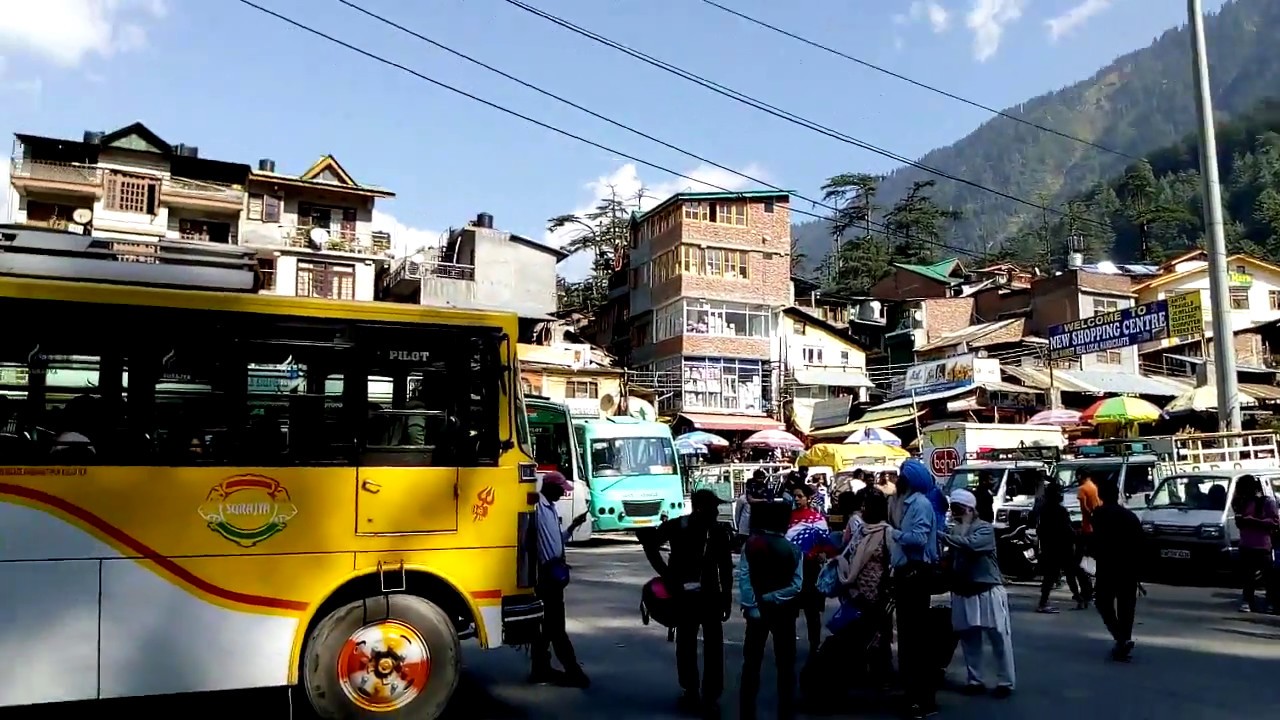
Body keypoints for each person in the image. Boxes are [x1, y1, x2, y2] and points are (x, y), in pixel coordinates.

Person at [639, 488, 735, 715]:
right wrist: (726, 597)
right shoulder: (713, 530)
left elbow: (650, 546)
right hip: (703, 596)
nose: (717, 511)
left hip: (692, 594)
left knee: (689, 644)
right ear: (701, 507)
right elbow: (725, 569)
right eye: (714, 507)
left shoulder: (683, 526)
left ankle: (695, 691)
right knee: (706, 646)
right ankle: (704, 693)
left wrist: (667, 575)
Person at [944, 489, 1015, 698]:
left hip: (987, 590)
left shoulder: (984, 529)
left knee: (999, 638)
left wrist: (942, 536)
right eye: (952, 509)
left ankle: (1005, 682)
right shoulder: (955, 530)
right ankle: (975, 679)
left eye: (957, 509)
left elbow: (971, 546)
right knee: (969, 639)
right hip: (964, 591)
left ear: (969, 509)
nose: (954, 513)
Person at [738, 500, 803, 720]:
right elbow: (797, 585)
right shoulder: (793, 549)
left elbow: (744, 578)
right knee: (785, 662)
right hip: (785, 612)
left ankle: (746, 706)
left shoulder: (751, 544)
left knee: (752, 660)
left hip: (757, 612)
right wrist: (775, 597)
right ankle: (786, 706)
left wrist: (753, 604)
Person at [889, 459, 941, 719]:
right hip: (906, 574)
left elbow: (918, 539)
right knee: (909, 640)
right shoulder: (904, 502)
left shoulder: (919, 504)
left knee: (916, 640)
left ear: (908, 480)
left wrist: (894, 533)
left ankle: (922, 700)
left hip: (915, 574)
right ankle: (913, 695)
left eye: (900, 475)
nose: (896, 478)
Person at [531, 472, 591, 687]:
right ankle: (573, 672)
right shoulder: (538, 507)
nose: (564, 492)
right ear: (550, 488)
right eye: (561, 488)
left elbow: (557, 541)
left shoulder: (550, 508)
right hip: (546, 574)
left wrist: (573, 526)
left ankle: (540, 668)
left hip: (555, 573)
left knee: (548, 626)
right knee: (556, 626)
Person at [1090, 480, 1144, 662]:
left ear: (1101, 496)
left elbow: (1094, 540)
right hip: (1128, 567)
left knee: (1103, 602)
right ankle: (1124, 639)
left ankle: (1121, 638)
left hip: (1107, 566)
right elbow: (1140, 544)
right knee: (1126, 605)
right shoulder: (1129, 517)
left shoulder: (1098, 515)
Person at [787, 483, 834, 660]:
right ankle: (787, 644)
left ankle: (815, 645)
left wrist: (822, 553)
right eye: (795, 496)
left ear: (807, 498)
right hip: (791, 569)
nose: (797, 499)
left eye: (800, 496)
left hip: (811, 568)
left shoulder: (817, 519)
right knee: (790, 610)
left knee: (811, 611)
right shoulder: (788, 518)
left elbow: (826, 544)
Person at [1231, 475, 1278, 613]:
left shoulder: (1267, 502)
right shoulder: (1241, 502)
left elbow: (1275, 522)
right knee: (1248, 577)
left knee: (1268, 577)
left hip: (1263, 545)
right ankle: (1248, 601)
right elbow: (1239, 522)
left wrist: (1254, 521)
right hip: (1246, 544)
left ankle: (1270, 602)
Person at [1036, 482, 1084, 612]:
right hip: (1062, 547)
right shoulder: (1060, 511)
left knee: (1051, 576)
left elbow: (1040, 530)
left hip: (1050, 547)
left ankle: (1044, 601)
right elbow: (1067, 529)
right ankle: (1078, 599)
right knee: (1068, 574)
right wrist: (1076, 537)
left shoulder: (1043, 510)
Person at [1075, 469, 1102, 606]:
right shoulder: (1093, 487)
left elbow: (1084, 508)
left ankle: (1086, 591)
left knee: (1079, 563)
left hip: (1087, 530)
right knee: (1097, 560)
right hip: (1097, 529)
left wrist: (1088, 520)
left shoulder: (1082, 489)